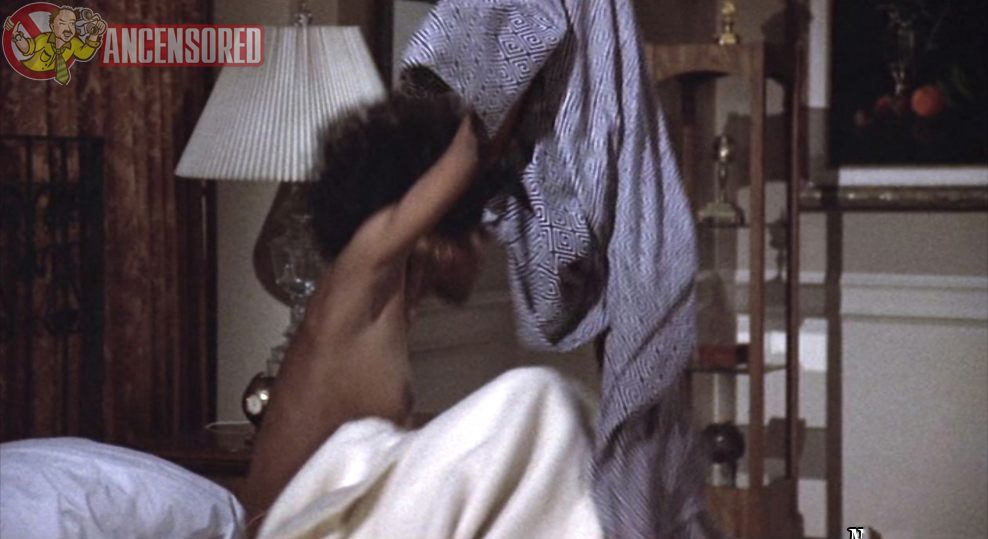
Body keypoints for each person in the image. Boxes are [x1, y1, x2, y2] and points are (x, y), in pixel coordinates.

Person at [243, 93, 520, 529]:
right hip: (299, 534)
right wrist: (529, 65)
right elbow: (469, 151)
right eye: (477, 227)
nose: (485, 246)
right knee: (538, 398)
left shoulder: (387, 306)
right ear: (437, 230)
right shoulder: (368, 263)